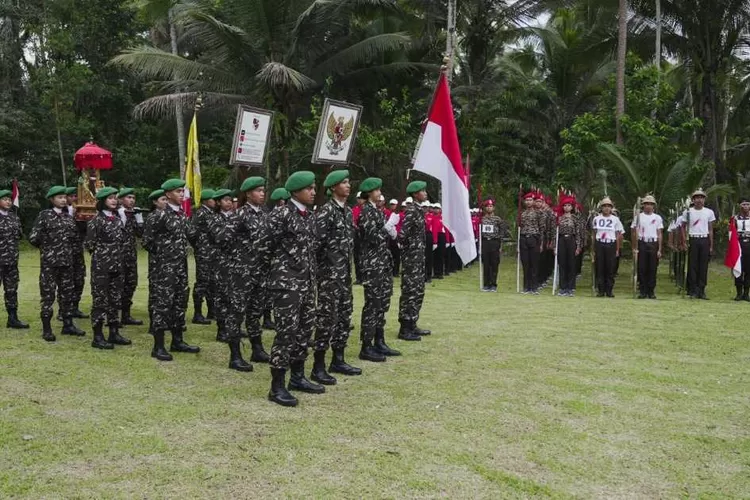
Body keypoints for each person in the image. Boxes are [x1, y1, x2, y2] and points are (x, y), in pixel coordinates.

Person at [264, 171, 320, 407]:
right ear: (296, 190)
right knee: (286, 333)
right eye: (309, 188)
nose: (313, 192)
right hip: (286, 284)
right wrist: (279, 270)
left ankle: (297, 377)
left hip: (306, 282)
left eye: (314, 188)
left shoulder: (307, 216)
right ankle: (277, 386)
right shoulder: (282, 214)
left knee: (304, 331)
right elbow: (263, 244)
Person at [141, 179, 200, 361]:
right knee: (163, 304)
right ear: (167, 194)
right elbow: (147, 241)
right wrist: (163, 256)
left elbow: (190, 237)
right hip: (164, 268)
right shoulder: (159, 215)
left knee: (180, 302)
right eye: (177, 191)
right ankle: (158, 346)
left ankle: (177, 340)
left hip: (181, 266)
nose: (181, 194)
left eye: (182, 191)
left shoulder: (182, 214)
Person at [313, 169, 361, 384]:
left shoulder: (348, 211)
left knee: (344, 316)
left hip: (344, 275)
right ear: (333, 187)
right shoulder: (326, 212)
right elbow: (315, 245)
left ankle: (338, 359)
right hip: (329, 276)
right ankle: (318, 365)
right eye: (343, 183)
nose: (348, 186)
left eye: (349, 182)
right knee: (326, 319)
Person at [29, 185, 86, 341]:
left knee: (67, 295)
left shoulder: (69, 217)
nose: (62, 200)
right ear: (52, 199)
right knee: (48, 296)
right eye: (59, 197)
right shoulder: (44, 216)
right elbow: (34, 238)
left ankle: (68, 325)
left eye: (64, 197)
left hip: (67, 263)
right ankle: (47, 329)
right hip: (50, 264)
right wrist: (48, 249)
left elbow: (75, 239)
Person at [208, 188, 254, 372]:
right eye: (225, 200)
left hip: (240, 267)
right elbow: (219, 239)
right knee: (224, 300)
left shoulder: (237, 216)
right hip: (222, 265)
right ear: (218, 202)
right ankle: (223, 329)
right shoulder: (214, 219)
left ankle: (230, 330)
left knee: (237, 303)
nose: (228, 203)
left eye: (230, 200)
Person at [357, 177, 400, 362]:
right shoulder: (366, 212)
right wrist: (387, 226)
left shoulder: (378, 211)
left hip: (383, 262)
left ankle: (379, 340)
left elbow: (384, 238)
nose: (379, 193)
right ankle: (366, 346)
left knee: (382, 303)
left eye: (379, 190)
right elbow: (373, 237)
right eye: (376, 190)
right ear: (369, 193)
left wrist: (391, 229)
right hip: (372, 264)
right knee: (372, 304)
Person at [84, 187, 131, 350]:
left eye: (115, 198)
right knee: (100, 301)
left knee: (115, 300)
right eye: (110, 198)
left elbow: (122, 241)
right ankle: (98, 336)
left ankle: (114, 333)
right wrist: (104, 254)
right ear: (103, 201)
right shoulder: (96, 221)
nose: (114, 200)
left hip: (117, 265)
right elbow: (89, 244)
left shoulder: (118, 220)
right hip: (102, 267)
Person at [236, 176, 271, 363]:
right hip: (243, 272)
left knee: (255, 312)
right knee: (237, 312)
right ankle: (236, 355)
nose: (262, 193)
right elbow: (225, 239)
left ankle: (257, 349)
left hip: (260, 272)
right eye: (258, 191)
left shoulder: (265, 214)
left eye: (263, 190)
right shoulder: (240, 214)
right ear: (248, 194)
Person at [397, 180, 432, 340]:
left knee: (418, 290)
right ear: (415, 194)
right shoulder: (411, 211)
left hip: (419, 258)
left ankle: (413, 323)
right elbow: (402, 234)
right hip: (412, 258)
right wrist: (409, 251)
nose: (425, 193)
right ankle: (405, 328)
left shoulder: (419, 210)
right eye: (422, 191)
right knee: (410, 291)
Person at [0, 189, 29, 329]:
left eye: (9, 200)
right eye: (5, 199)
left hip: (11, 261)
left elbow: (19, 235)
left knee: (11, 290)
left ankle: (12, 318)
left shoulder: (14, 217)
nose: (8, 202)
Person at [115, 187, 143, 326]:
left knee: (130, 284)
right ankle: (113, 317)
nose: (131, 200)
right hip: (117, 256)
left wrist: (139, 219)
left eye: (133, 197)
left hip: (131, 256)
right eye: (128, 197)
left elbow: (140, 234)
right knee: (116, 286)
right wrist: (123, 216)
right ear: (120, 199)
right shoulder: (115, 213)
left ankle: (126, 315)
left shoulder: (134, 213)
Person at [681, 189, 715, 299]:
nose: (699, 200)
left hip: (704, 239)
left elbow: (710, 229)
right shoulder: (688, 212)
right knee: (693, 265)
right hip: (693, 238)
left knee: (703, 265)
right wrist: (684, 241)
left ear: (704, 199)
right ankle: (693, 289)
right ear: (693, 200)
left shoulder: (709, 212)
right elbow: (683, 227)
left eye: (701, 197)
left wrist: (711, 245)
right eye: (697, 198)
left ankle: (701, 289)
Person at [190, 188, 217, 325]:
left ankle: (211, 311)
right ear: (206, 200)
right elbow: (192, 233)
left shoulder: (211, 213)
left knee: (212, 283)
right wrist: (199, 247)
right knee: (202, 283)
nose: (216, 202)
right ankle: (197, 313)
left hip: (212, 253)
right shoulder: (200, 213)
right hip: (204, 253)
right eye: (213, 199)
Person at [144, 189, 167, 333]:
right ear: (155, 202)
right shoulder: (153, 217)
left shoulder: (168, 215)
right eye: (162, 200)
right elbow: (147, 241)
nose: (165, 202)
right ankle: (154, 323)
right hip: (157, 261)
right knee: (156, 291)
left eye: (166, 199)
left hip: (169, 261)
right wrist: (159, 252)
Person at [631, 195, 663, 299]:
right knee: (642, 267)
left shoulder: (657, 218)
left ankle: (651, 290)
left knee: (652, 268)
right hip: (642, 242)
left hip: (653, 243)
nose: (648, 206)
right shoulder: (638, 217)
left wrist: (659, 249)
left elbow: (659, 234)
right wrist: (635, 247)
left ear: (653, 206)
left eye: (650, 204)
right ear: (643, 205)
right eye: (646, 204)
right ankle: (643, 290)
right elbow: (634, 232)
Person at [64, 186, 88, 320]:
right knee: (65, 282)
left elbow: (85, 230)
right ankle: (64, 310)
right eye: (72, 196)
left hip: (77, 251)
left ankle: (75, 307)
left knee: (79, 280)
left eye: (76, 197)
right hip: (64, 253)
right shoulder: (60, 213)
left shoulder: (80, 212)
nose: (74, 199)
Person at [592, 197, 623, 297]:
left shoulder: (615, 219)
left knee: (610, 267)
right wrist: (593, 248)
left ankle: (609, 290)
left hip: (611, 243)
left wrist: (617, 249)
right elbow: (594, 233)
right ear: (601, 208)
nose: (606, 208)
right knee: (600, 267)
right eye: (604, 206)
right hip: (600, 243)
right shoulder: (596, 219)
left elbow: (618, 235)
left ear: (611, 208)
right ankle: (601, 290)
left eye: (608, 206)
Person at [480, 199, 510, 292]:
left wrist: (500, 242)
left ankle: (493, 284)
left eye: (491, 206)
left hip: (494, 242)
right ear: (485, 208)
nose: (489, 208)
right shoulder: (482, 219)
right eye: (487, 206)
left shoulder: (497, 219)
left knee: (494, 264)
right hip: (485, 242)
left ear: (493, 208)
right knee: (486, 264)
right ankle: (486, 284)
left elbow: (503, 230)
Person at [556, 196, 583, 297]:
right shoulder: (559, 218)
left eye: (569, 205)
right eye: (565, 205)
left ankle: (570, 287)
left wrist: (578, 246)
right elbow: (556, 233)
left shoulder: (575, 219)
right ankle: (563, 287)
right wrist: (555, 246)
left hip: (571, 240)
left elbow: (578, 233)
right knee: (562, 264)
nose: (567, 207)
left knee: (571, 264)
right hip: (562, 240)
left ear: (572, 207)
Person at [519, 192, 543, 294]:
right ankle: (526, 286)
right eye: (527, 200)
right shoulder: (522, 214)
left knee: (534, 263)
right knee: (525, 263)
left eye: (530, 200)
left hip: (534, 238)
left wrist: (541, 243)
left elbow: (542, 229)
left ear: (533, 201)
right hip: (524, 238)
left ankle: (534, 287)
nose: (528, 202)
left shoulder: (538, 213)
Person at [733, 198, 750, 301]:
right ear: (740, 205)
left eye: (748, 204)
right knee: (738, 269)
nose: (746, 207)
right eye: (744, 204)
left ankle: (746, 293)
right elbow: (732, 233)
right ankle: (739, 293)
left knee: (748, 270)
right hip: (738, 245)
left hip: (749, 244)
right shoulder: (735, 218)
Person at [352, 193, 365, 285]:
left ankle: (365, 277)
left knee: (365, 258)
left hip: (365, 236)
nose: (360, 200)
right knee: (357, 257)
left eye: (361, 198)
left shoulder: (367, 210)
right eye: (358, 198)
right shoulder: (354, 209)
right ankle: (359, 278)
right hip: (356, 235)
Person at [431, 203, 445, 279]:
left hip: (441, 236)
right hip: (434, 236)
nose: (436, 209)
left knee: (440, 255)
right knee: (435, 256)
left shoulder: (443, 217)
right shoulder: (432, 217)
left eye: (437, 208)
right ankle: (436, 273)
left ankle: (440, 273)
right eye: (435, 208)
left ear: (440, 209)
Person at [423, 201, 433, 282]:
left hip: (429, 235)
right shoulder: (419, 215)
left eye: (426, 207)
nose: (425, 208)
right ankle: (422, 275)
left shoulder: (431, 216)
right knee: (422, 257)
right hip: (421, 236)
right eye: (423, 207)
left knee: (429, 256)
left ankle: (429, 275)